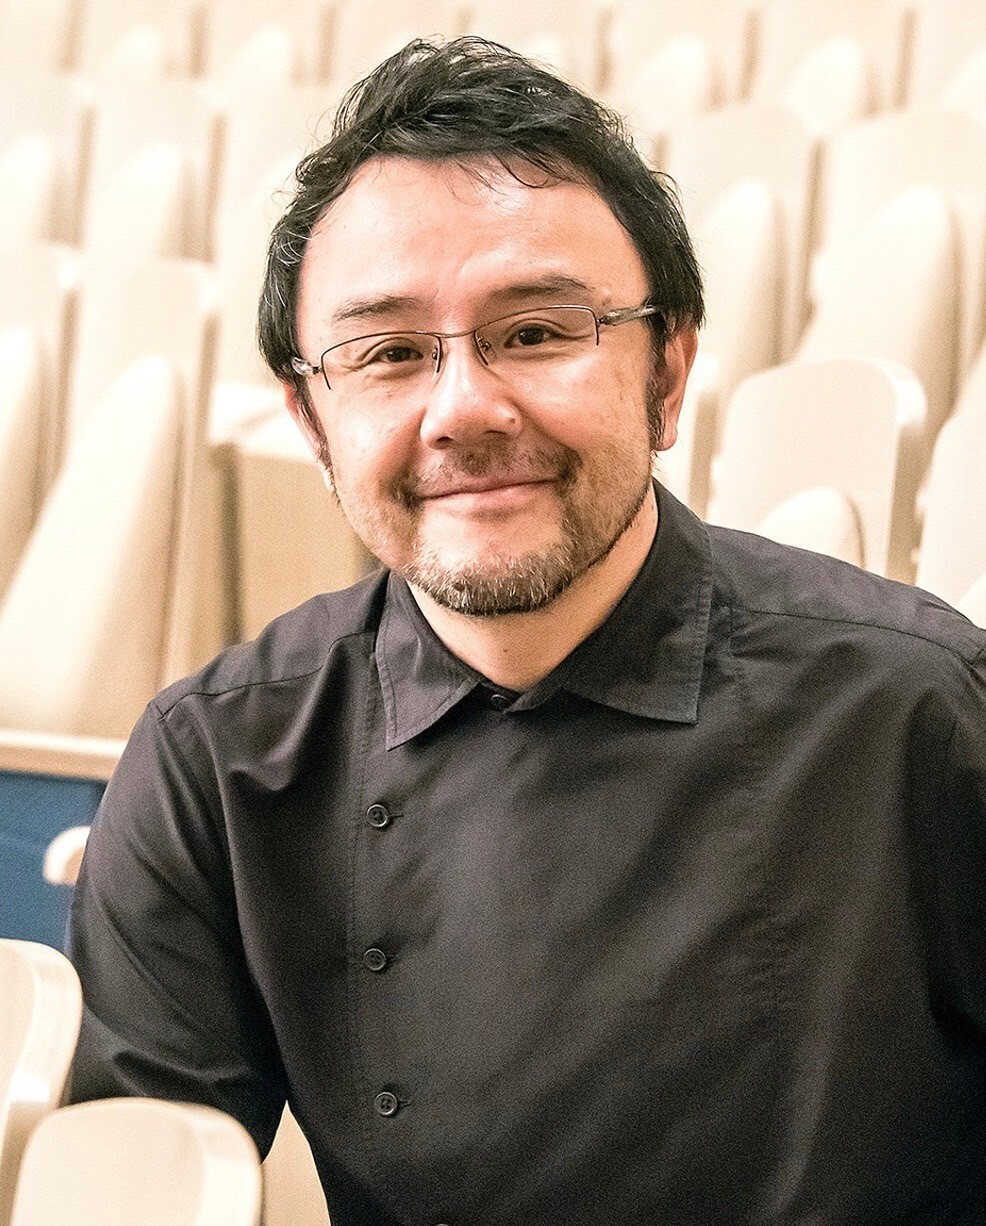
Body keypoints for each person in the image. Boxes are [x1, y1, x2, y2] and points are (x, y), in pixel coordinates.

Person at [68, 37, 986, 1226]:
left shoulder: (918, 709)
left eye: (537, 332)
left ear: (667, 374)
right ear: (312, 423)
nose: (463, 409)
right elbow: (129, 1188)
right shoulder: (222, 762)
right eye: (388, 353)